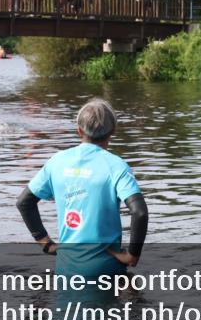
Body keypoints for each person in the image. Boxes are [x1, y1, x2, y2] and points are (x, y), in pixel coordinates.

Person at [16, 98, 149, 277]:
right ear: (113, 131)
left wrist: (45, 243)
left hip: (66, 268)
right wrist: (133, 255)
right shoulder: (117, 166)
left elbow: (24, 202)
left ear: (79, 130)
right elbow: (139, 212)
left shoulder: (57, 161)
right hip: (106, 268)